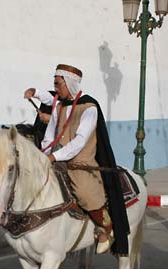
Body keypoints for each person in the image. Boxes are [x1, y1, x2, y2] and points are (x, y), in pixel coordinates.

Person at [41, 63, 129, 255]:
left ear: (69, 83)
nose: (55, 88)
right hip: (57, 160)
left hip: (81, 164)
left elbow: (80, 141)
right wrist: (43, 153)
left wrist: (54, 155)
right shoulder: (60, 106)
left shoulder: (89, 107)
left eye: (58, 84)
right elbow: (50, 134)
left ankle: (106, 228)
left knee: (84, 193)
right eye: (54, 84)